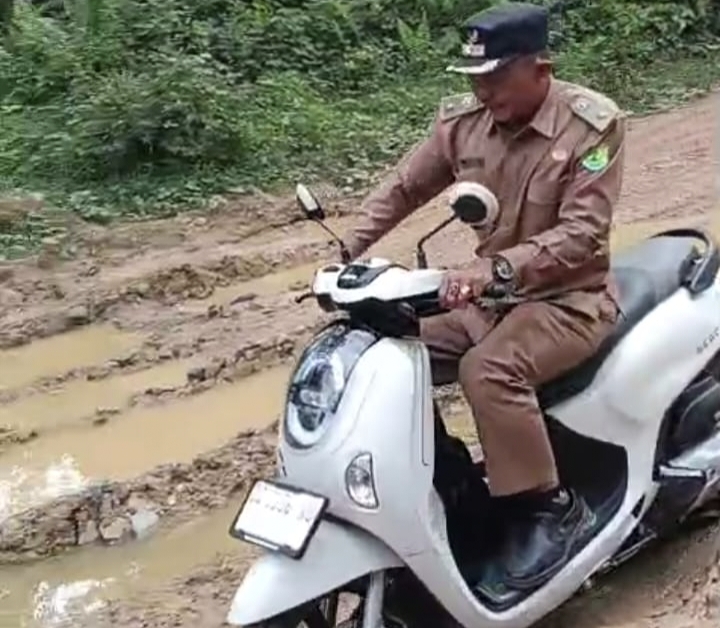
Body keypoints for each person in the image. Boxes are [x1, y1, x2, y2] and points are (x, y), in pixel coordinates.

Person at [342, 2, 625, 590]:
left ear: (539, 69)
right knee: (387, 351)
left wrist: (493, 268)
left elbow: (582, 235)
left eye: (496, 76)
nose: (481, 89)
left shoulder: (590, 127)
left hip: (569, 301)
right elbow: (405, 187)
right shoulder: (464, 124)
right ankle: (453, 485)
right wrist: (347, 247)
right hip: (490, 303)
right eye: (474, 76)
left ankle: (550, 511)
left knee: (489, 372)